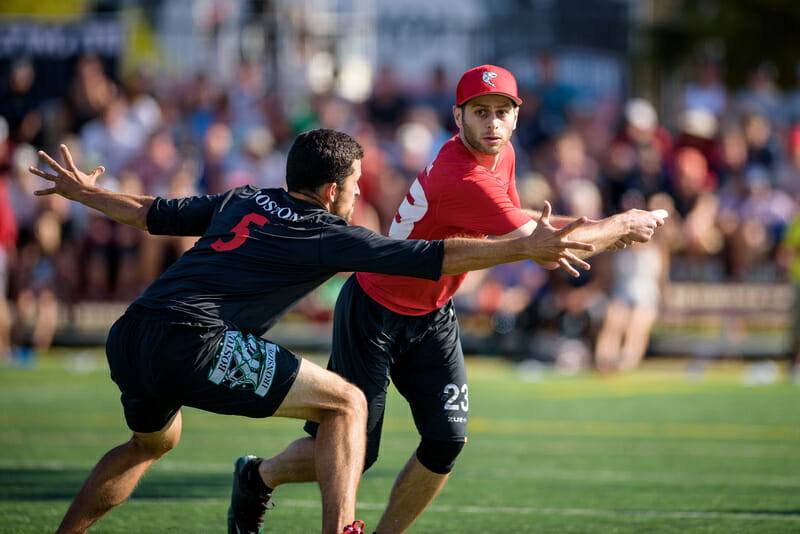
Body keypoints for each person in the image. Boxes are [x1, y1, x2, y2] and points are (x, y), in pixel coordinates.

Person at [29, 128, 596, 534]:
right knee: (347, 404)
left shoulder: (243, 197)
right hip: (196, 340)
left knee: (152, 441)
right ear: (332, 192)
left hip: (133, 331)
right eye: (353, 186)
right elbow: (435, 255)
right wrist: (521, 246)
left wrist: (84, 192)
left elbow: (153, 212)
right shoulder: (330, 232)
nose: (356, 195)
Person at [256, 66, 665, 533]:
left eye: (502, 112)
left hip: (432, 313)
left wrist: (603, 224)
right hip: (375, 310)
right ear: (458, 116)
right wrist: (624, 225)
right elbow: (546, 252)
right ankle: (259, 475)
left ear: (515, 119)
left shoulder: (502, 155)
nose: (492, 123)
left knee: (446, 442)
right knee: (358, 450)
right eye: (481, 112)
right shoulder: (461, 174)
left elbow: (516, 221)